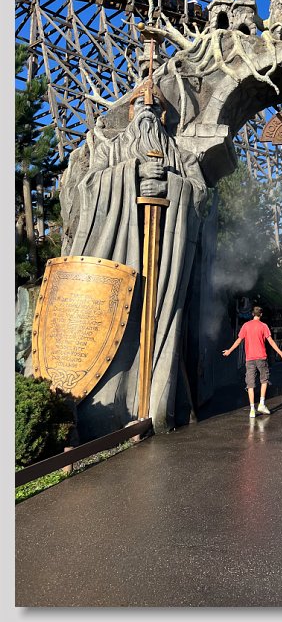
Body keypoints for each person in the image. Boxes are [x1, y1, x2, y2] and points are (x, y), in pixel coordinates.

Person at [60, 79, 207, 440]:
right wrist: (132, 175)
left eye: (155, 106)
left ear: (164, 116)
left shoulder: (183, 157)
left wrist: (171, 185)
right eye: (141, 104)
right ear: (130, 111)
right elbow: (87, 186)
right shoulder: (109, 150)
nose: (148, 111)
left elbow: (200, 194)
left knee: (160, 313)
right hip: (119, 251)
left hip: (165, 254)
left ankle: (154, 398)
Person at [223, 306, 282, 418]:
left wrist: (229, 350)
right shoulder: (264, 326)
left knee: (250, 384)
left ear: (252, 314)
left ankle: (252, 409)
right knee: (264, 380)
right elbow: (271, 342)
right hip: (261, 357)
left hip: (250, 359)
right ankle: (261, 404)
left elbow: (239, 340)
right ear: (261, 314)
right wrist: (281, 353)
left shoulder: (246, 326)